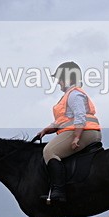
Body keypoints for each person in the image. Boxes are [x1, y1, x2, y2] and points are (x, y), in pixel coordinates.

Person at [35, 61, 102, 202]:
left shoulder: (74, 94)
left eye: (60, 78)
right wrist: (48, 129)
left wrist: (76, 137)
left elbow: (80, 116)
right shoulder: (69, 95)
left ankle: (58, 192)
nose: (58, 82)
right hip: (87, 131)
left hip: (83, 131)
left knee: (49, 152)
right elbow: (64, 119)